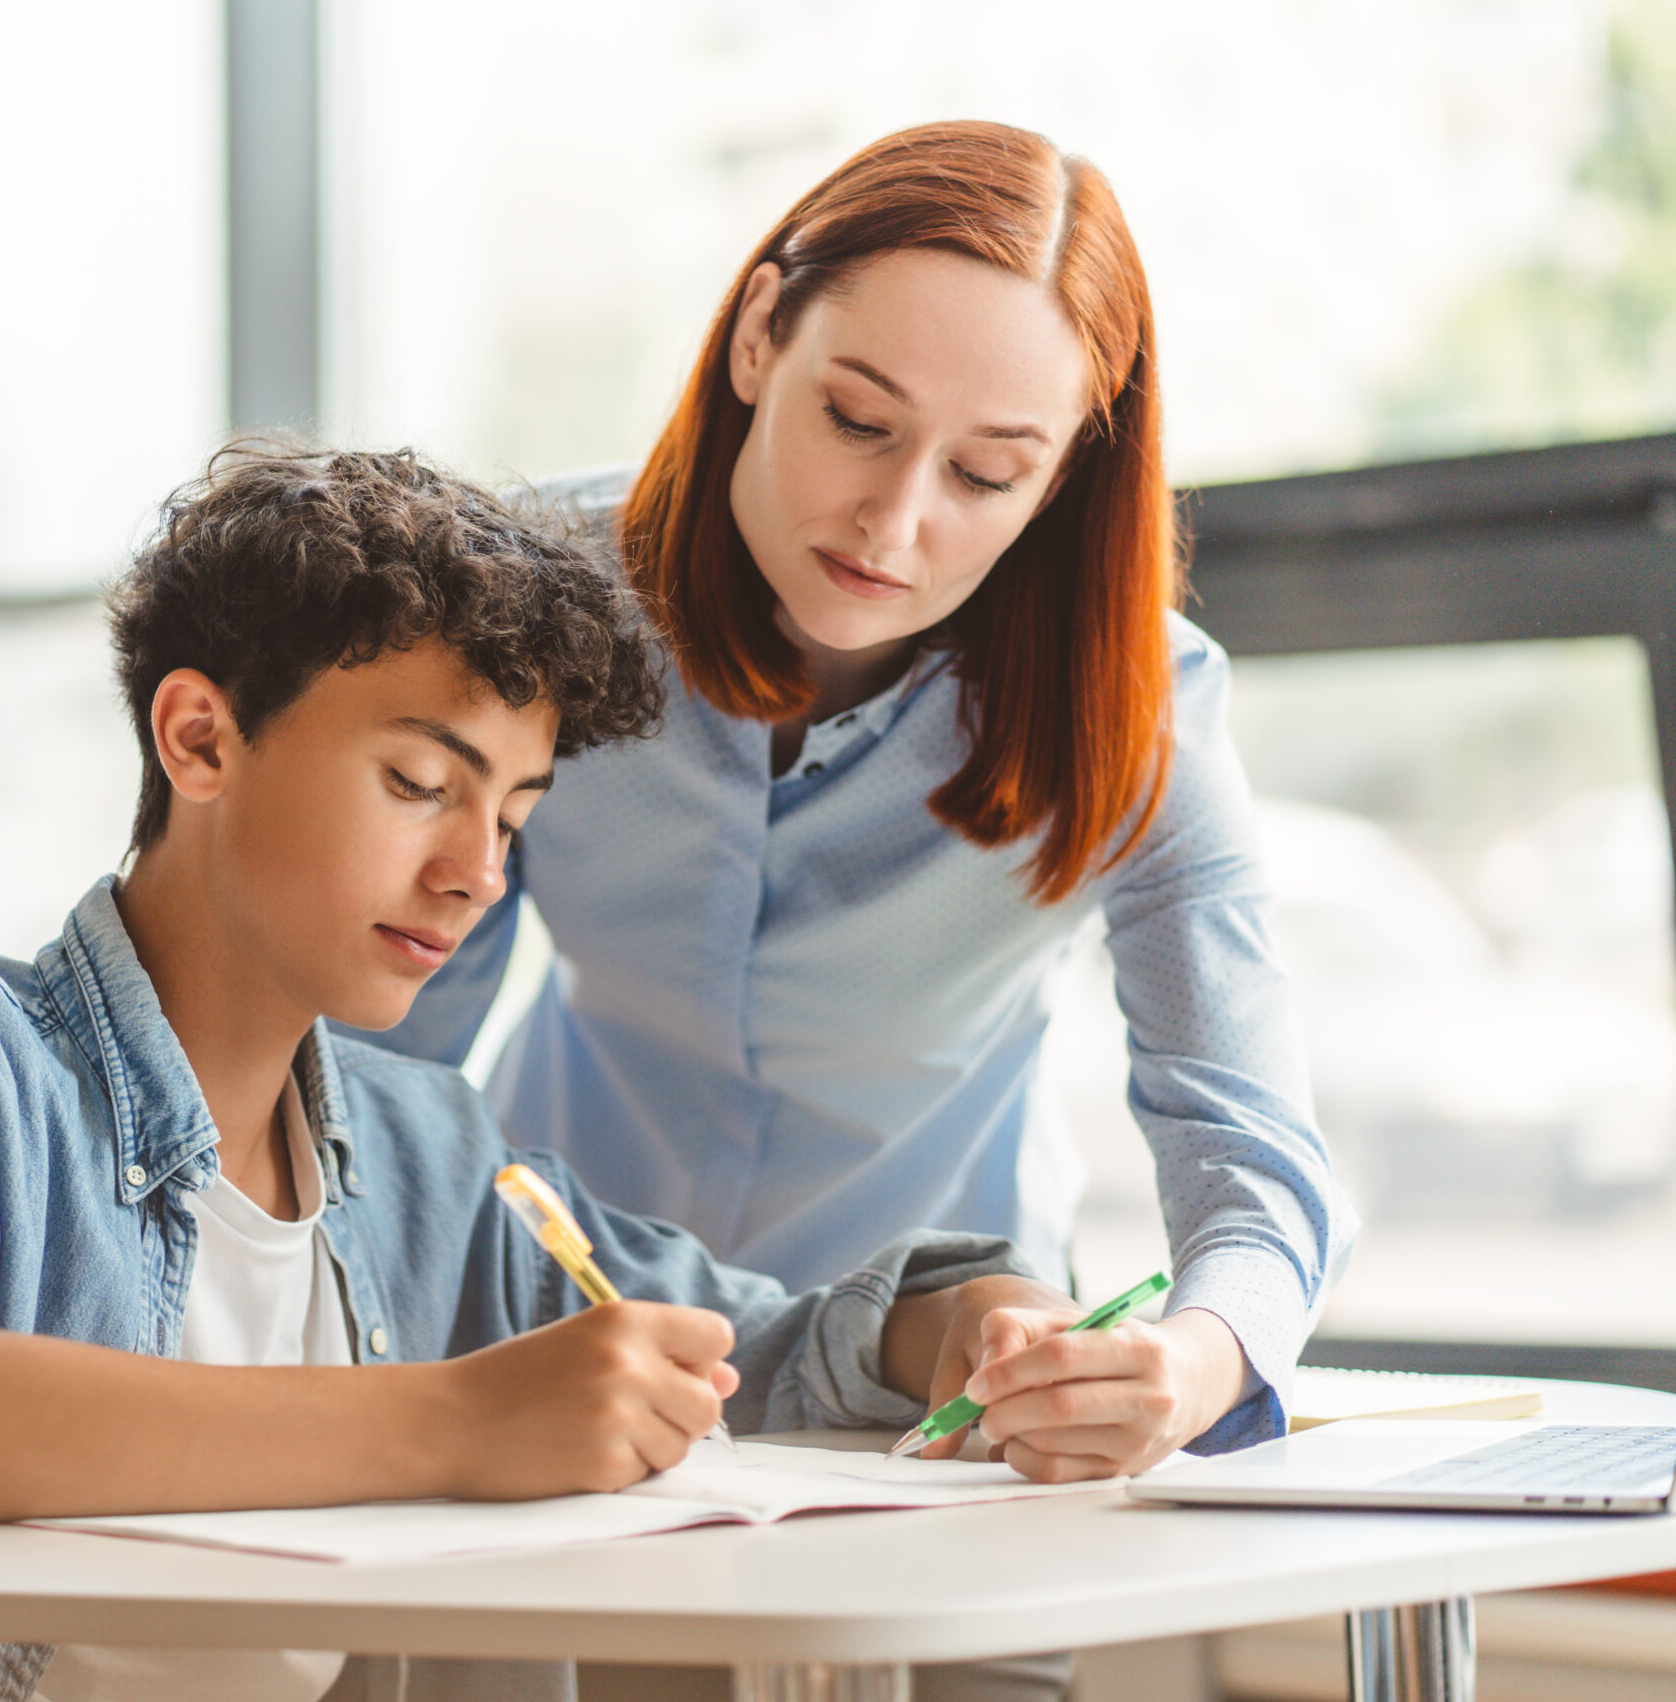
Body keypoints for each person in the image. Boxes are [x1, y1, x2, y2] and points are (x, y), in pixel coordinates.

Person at [0, 444, 1081, 1702]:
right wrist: (455, 1423)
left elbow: (757, 1355)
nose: (476, 875)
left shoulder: (430, 1156)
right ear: (200, 738)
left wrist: (972, 1326)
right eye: (419, 785)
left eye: (514, 816)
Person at [371, 120, 1356, 1480]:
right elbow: (380, 1060)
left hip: (942, 1417)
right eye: (857, 419)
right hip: (565, 1370)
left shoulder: (1142, 711)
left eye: (986, 472)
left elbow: (1252, 1148)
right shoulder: (535, 604)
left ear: (1063, 472)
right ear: (762, 332)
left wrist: (1189, 1366)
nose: (894, 521)